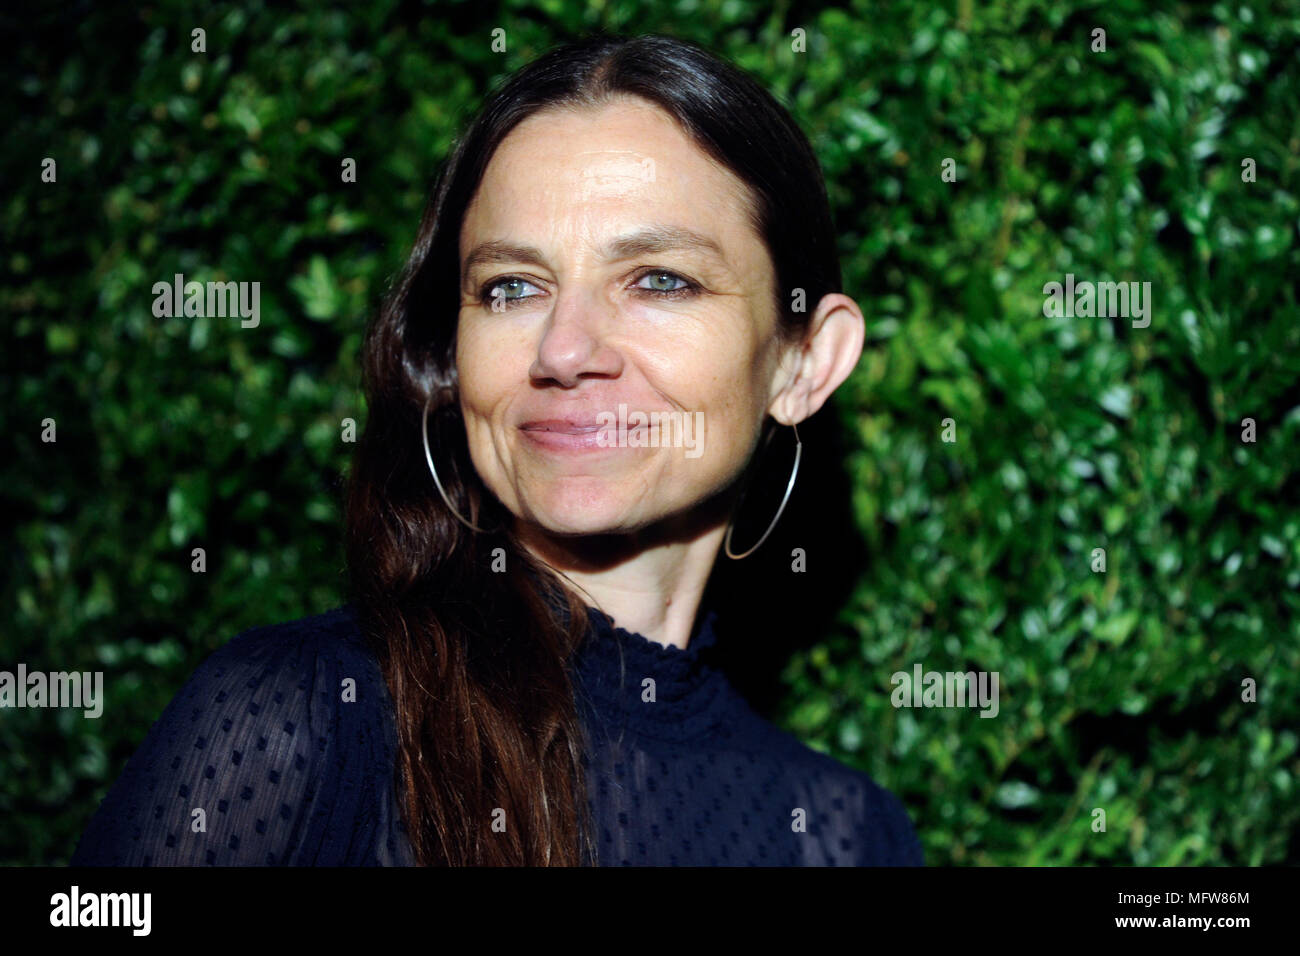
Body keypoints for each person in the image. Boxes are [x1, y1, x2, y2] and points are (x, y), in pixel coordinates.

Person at [71, 32, 922, 867]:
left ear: (805, 362)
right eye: (511, 287)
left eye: (660, 280)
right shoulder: (300, 720)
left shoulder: (849, 836)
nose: (563, 350)